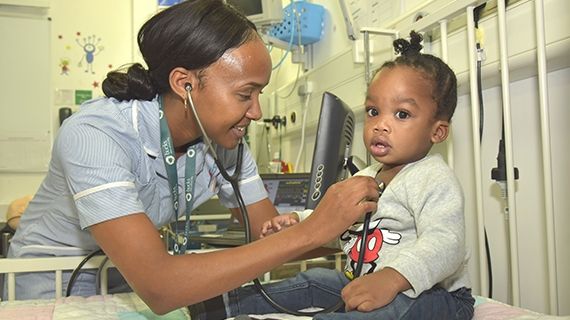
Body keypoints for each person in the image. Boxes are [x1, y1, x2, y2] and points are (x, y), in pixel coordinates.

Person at [5, 0, 381, 314]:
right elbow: (160, 286)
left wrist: (376, 235)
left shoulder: (226, 142)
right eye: (245, 94)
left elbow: (265, 231)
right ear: (185, 84)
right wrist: (312, 230)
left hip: (122, 281)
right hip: (49, 283)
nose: (257, 112)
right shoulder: (96, 134)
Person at [194, 31, 475, 320]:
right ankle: (223, 306)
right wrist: (297, 223)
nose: (380, 125)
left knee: (396, 309)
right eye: (374, 111)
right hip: (361, 284)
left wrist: (392, 278)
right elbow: (336, 225)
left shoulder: (433, 178)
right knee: (316, 279)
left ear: (437, 131)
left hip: (434, 296)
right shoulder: (365, 177)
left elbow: (447, 244)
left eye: (401, 114)